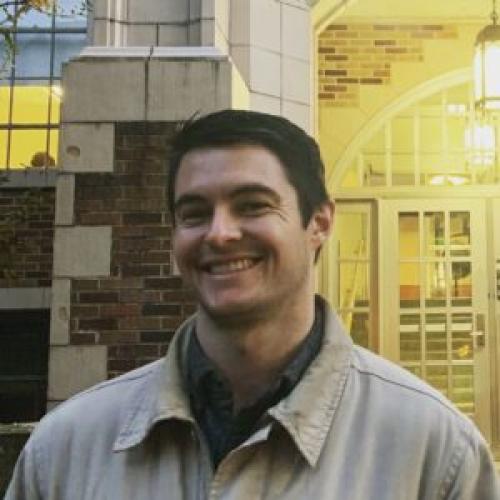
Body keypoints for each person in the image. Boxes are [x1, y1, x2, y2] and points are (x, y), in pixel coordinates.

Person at [6, 110, 499, 499]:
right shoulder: (66, 448)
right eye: (194, 213)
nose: (220, 233)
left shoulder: (434, 451)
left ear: (320, 223)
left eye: (253, 205)